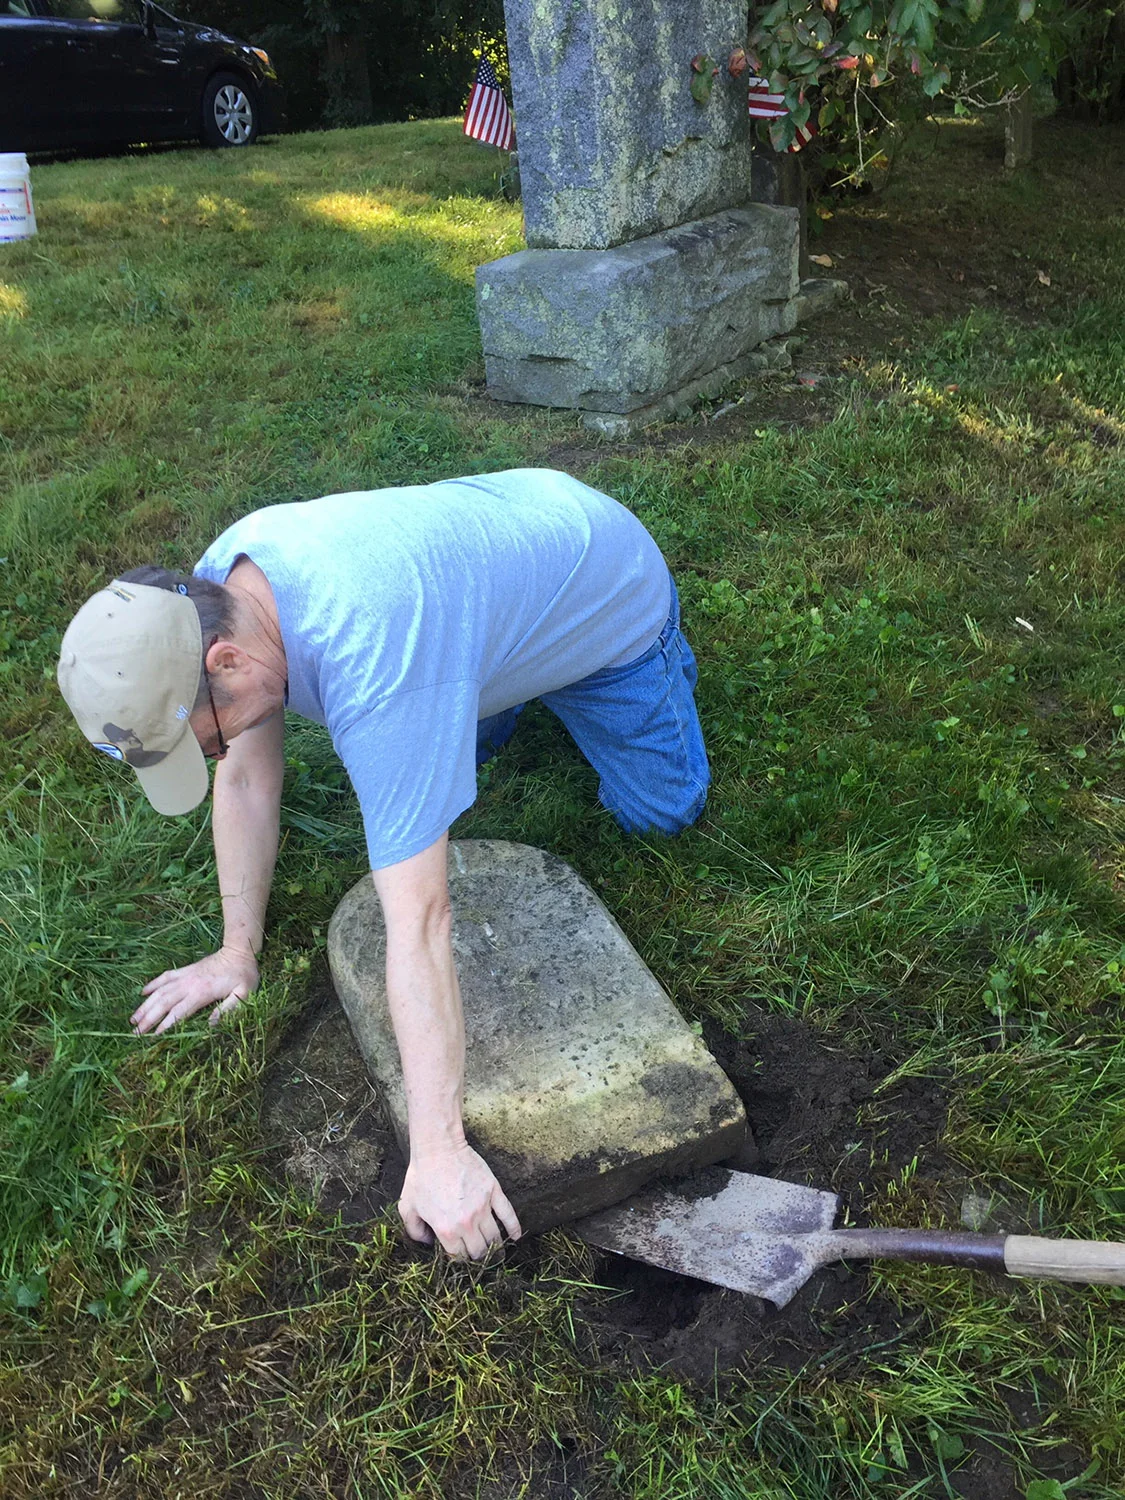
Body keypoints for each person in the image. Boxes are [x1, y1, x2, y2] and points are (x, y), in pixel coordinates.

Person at [57, 468, 710, 1260]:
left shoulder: (377, 665)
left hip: (601, 584)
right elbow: (246, 772)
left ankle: (594, 661)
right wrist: (236, 952)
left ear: (224, 662)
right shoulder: (212, 592)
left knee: (659, 811)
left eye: (205, 734)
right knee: (433, 707)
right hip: (470, 597)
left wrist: (438, 1154)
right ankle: (492, 671)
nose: (215, 753)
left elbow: (423, 917)